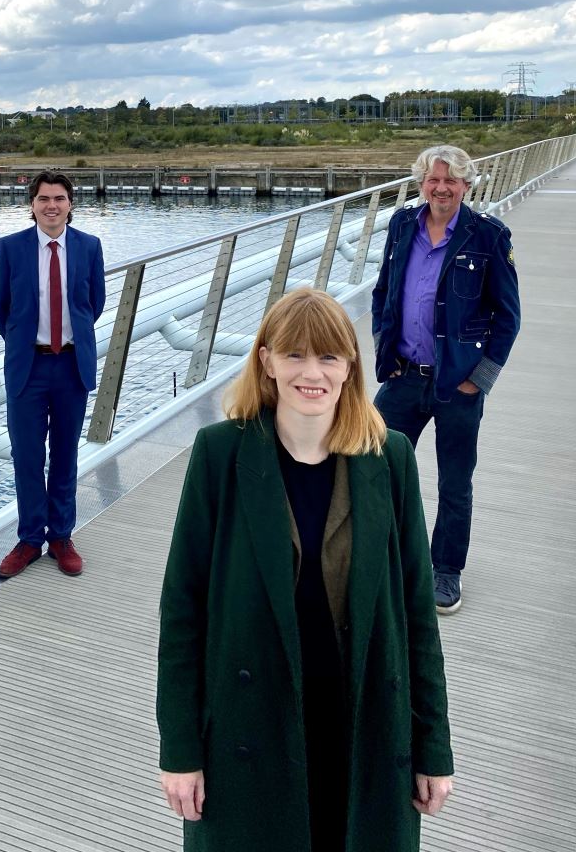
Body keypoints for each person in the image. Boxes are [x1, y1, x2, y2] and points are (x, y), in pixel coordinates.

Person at [157, 287, 454, 852]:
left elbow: (418, 612)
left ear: (349, 367)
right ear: (265, 360)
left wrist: (432, 746)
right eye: (294, 354)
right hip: (252, 725)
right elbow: (182, 612)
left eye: (328, 357)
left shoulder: (389, 458)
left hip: (363, 722)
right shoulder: (220, 454)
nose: (310, 372)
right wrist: (180, 750)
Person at [370, 144, 521, 615]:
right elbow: (383, 293)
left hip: (457, 384)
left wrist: (479, 380)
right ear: (421, 183)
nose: (441, 188)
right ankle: (381, 557)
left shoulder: (488, 236)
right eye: (433, 180)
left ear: (466, 186)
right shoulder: (401, 226)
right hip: (402, 378)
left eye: (451, 180)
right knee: (373, 466)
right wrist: (385, 354)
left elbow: (508, 318)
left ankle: (446, 571)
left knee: (455, 484)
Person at [0, 170, 107, 580]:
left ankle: (61, 537)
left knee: (65, 454)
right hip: (29, 368)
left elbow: (94, 302)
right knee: (26, 456)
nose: (51, 205)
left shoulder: (89, 247)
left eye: (58, 198)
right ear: (32, 205)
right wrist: (27, 343)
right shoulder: (11, 248)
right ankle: (29, 539)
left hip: (72, 365)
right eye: (43, 199)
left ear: (70, 204)